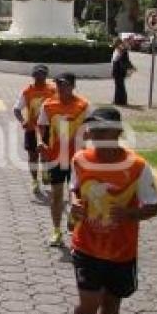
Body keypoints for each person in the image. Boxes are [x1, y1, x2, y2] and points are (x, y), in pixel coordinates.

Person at [62, 106, 157, 314]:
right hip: (87, 245)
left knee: (111, 304)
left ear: (118, 132)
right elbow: (74, 190)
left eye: (102, 130)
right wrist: (74, 204)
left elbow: (154, 207)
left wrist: (129, 213)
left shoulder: (137, 167)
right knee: (89, 304)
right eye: (93, 130)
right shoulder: (81, 159)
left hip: (121, 251)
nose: (96, 135)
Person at [37, 72, 92, 247]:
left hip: (78, 159)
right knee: (56, 195)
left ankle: (72, 220)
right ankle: (56, 231)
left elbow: (93, 127)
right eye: (58, 84)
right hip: (55, 158)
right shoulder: (49, 105)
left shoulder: (84, 106)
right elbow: (41, 126)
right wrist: (40, 141)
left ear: (73, 86)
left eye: (65, 84)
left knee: (76, 195)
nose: (61, 88)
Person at [13, 64, 57, 194]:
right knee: (33, 156)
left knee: (46, 154)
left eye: (42, 74)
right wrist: (23, 120)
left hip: (48, 128)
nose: (39, 77)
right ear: (33, 76)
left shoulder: (53, 90)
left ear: (46, 76)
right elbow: (16, 109)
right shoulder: (27, 91)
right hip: (31, 129)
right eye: (37, 74)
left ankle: (45, 172)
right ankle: (34, 180)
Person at [111, 38, 134, 106]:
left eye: (115, 43)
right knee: (119, 86)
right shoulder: (118, 49)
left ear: (118, 43)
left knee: (120, 86)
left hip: (119, 70)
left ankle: (121, 101)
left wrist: (129, 68)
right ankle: (118, 100)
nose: (114, 44)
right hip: (116, 69)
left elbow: (123, 61)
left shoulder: (122, 50)